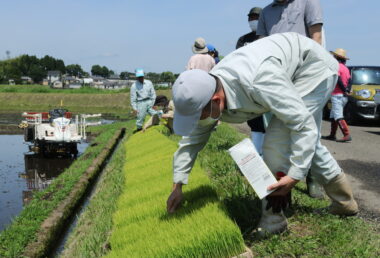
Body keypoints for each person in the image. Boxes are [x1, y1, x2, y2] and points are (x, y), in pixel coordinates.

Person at [166, 33, 358, 236]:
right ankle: (344, 202)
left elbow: (303, 125)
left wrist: (295, 175)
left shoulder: (259, 80)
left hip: (312, 67)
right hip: (282, 69)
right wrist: (177, 185)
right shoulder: (208, 92)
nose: (199, 121)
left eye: (200, 115)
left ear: (216, 100)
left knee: (277, 140)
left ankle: (274, 221)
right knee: (301, 142)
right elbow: (191, 140)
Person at [257, 0, 325, 198]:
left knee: (310, 130)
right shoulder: (266, 12)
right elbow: (262, 45)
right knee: (276, 133)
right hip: (277, 79)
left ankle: (313, 178)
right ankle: (280, 181)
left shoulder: (308, 3)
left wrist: (309, 72)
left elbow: (316, 37)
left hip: (304, 76)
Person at [236, 7, 266, 157]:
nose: (253, 20)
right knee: (255, 121)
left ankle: (268, 155)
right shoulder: (243, 40)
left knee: (270, 122)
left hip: (266, 85)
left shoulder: (270, 38)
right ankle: (256, 153)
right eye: (251, 18)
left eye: (256, 17)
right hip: (249, 87)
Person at [322, 49, 352, 142]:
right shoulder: (346, 68)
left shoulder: (337, 67)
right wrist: (347, 89)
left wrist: (344, 90)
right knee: (333, 115)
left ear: (336, 57)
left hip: (337, 94)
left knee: (338, 115)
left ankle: (346, 134)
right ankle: (332, 135)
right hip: (343, 96)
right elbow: (350, 81)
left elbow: (338, 79)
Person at [130, 68, 157, 133]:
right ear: (137, 77)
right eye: (139, 77)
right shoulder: (134, 86)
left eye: (141, 76)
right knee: (140, 117)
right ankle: (139, 129)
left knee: (155, 114)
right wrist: (135, 108)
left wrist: (154, 103)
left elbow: (153, 93)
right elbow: (133, 98)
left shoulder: (149, 83)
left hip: (150, 101)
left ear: (143, 76)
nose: (140, 78)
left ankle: (156, 125)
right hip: (141, 102)